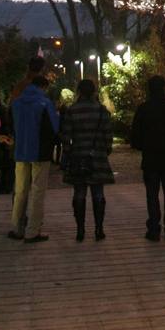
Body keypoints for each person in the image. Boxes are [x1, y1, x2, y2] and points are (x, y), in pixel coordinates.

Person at [129, 75, 165, 242]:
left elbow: (135, 137)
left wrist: (145, 146)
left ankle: (154, 229)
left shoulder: (143, 109)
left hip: (150, 159)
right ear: (164, 88)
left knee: (152, 195)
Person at [58, 78, 115, 242]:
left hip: (77, 157)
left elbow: (66, 136)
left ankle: (80, 230)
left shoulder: (72, 111)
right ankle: (99, 229)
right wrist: (104, 150)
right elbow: (108, 135)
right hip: (97, 156)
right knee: (98, 194)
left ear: (79, 92)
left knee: (79, 194)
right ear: (94, 92)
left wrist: (68, 152)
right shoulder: (101, 110)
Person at [8, 74, 59, 243]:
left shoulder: (16, 103)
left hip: (20, 151)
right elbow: (53, 128)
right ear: (44, 87)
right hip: (39, 152)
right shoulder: (44, 103)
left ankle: (16, 227)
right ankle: (32, 230)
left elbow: (11, 127)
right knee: (38, 191)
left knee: (20, 190)